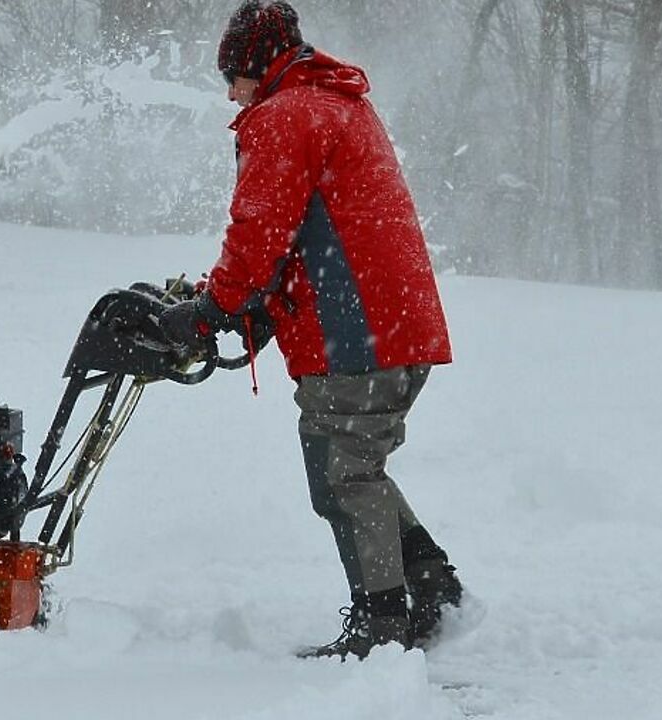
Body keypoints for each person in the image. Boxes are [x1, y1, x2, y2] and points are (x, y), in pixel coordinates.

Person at [159, 0, 465, 661]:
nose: (230, 94)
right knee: (359, 467)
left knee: (341, 475)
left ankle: (381, 625)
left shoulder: (284, 115)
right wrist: (243, 307)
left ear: (255, 66)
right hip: (395, 322)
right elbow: (309, 230)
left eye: (231, 77)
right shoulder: (337, 102)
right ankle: (432, 585)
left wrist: (213, 310)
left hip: (357, 331)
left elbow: (262, 231)